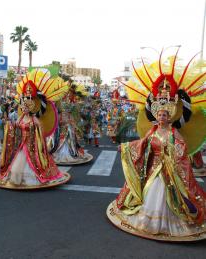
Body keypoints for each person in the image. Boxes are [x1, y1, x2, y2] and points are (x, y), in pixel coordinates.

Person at [107, 50, 206, 241]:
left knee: (168, 197)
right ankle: (148, 221)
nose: (161, 117)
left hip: (169, 173)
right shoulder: (152, 131)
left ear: (169, 117)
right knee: (149, 193)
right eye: (159, 115)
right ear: (156, 116)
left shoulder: (173, 132)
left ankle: (169, 223)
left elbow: (182, 149)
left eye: (165, 115)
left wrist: (171, 155)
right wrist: (125, 147)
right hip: (152, 170)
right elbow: (142, 144)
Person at [0, 68, 71, 189]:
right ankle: (18, 179)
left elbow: (39, 134)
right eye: (23, 107)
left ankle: (33, 178)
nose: (24, 109)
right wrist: (9, 125)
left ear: (31, 108)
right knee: (16, 165)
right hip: (21, 145)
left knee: (33, 165)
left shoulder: (35, 120)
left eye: (27, 107)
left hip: (33, 147)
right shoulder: (20, 118)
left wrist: (36, 144)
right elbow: (15, 128)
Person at [49, 84, 93, 165]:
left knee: (70, 139)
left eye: (70, 93)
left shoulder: (70, 103)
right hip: (62, 123)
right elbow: (57, 113)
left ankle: (68, 153)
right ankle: (61, 152)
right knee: (60, 138)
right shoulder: (59, 102)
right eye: (68, 93)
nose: (69, 95)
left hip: (68, 123)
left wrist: (72, 122)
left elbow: (74, 113)